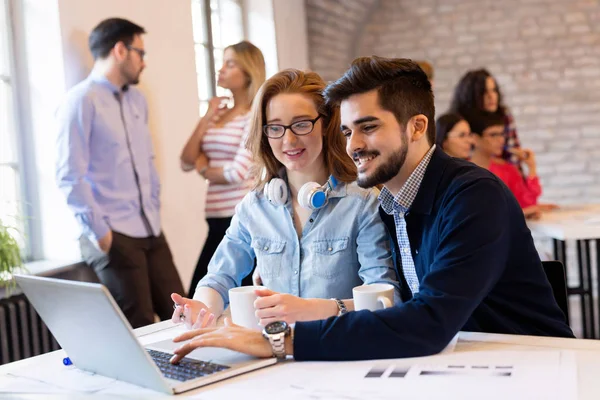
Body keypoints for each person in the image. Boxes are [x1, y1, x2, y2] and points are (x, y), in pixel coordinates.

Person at [168, 57, 573, 364]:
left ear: (416, 126)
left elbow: (427, 320)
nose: (353, 144)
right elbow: (405, 318)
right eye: (346, 131)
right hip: (457, 361)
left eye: (369, 126)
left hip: (531, 366)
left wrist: (278, 339)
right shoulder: (395, 205)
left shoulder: (472, 196)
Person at [170, 69, 400, 330]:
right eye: (275, 128)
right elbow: (218, 279)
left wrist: (314, 309)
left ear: (325, 124)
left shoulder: (363, 203)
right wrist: (202, 307)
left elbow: (385, 298)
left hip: (339, 351)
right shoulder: (254, 206)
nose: (289, 140)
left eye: (301, 124)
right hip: (276, 352)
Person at [55, 18, 184, 328]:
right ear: (120, 50)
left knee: (181, 313)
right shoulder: (80, 101)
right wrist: (101, 233)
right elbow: (69, 174)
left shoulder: (138, 100)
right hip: (115, 233)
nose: (144, 62)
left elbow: (146, 162)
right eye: (141, 53)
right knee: (139, 325)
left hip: (151, 228)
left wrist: (154, 204)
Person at [180, 41, 266, 297]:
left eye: (230, 63)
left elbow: (237, 172)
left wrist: (205, 168)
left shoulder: (254, 115)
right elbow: (186, 160)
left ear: (248, 72)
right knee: (205, 291)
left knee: (217, 293)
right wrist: (207, 117)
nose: (221, 69)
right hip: (215, 216)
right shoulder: (217, 116)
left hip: (238, 215)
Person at [466, 112, 557, 220]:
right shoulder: (462, 171)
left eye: (502, 134)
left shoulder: (507, 169)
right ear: (475, 138)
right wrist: (523, 212)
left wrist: (532, 167)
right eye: (493, 135)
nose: (501, 140)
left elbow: (527, 203)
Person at [450, 69, 521, 166]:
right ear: (471, 96)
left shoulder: (504, 116)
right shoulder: (459, 122)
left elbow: (513, 155)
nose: (491, 96)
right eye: (484, 92)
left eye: (494, 90)